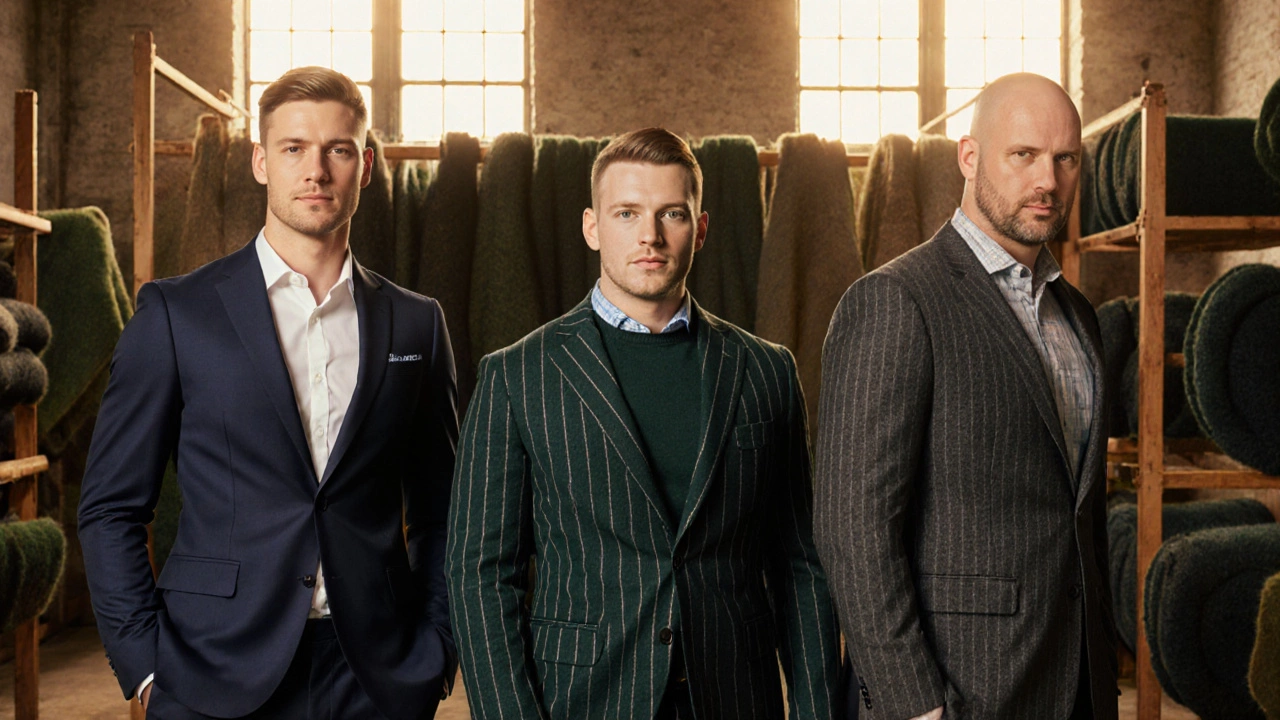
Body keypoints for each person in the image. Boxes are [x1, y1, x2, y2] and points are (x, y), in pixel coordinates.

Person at [78, 66, 458, 719]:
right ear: (260, 161)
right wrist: (145, 667)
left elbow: (445, 511)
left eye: (337, 149)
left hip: (375, 674)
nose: (316, 170)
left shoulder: (417, 322)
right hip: (209, 667)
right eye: (293, 149)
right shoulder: (177, 314)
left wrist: (437, 654)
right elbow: (111, 508)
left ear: (365, 165)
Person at [447, 127, 842, 719]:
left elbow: (798, 565)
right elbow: (479, 573)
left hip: (734, 696)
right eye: (627, 213)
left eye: (672, 214)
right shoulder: (517, 375)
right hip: (583, 699)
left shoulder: (766, 372)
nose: (650, 236)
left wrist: (817, 710)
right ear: (592, 226)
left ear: (700, 228)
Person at [814, 73, 1118, 720]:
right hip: (958, 692)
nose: (1048, 181)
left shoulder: (1079, 318)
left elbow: (1077, 516)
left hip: (1076, 684)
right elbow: (852, 530)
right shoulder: (896, 302)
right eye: (1023, 155)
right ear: (969, 157)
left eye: (1065, 159)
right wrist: (916, 706)